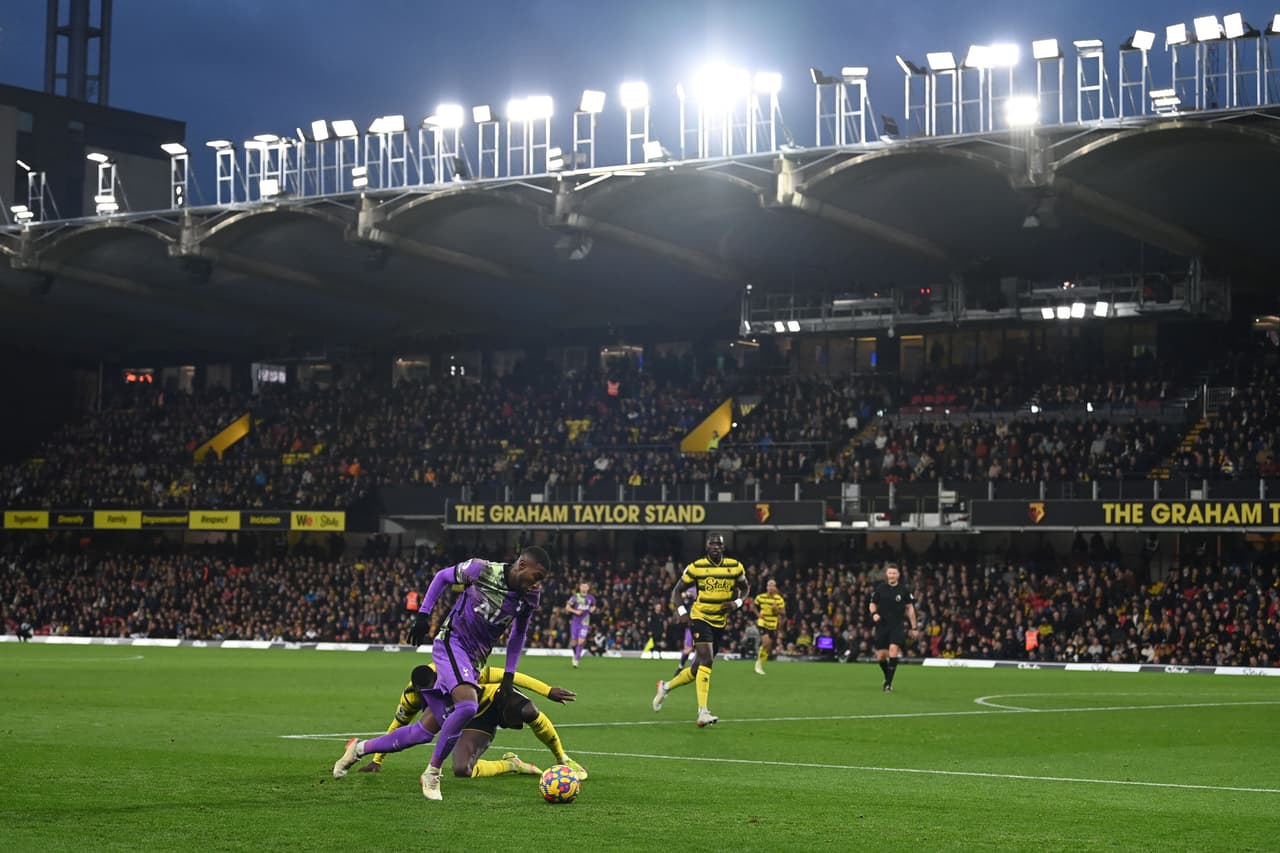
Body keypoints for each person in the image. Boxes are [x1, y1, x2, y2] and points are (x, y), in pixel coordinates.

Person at [380, 546, 549, 801]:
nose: (537, 584)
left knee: (423, 732)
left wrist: (509, 676)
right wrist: (423, 615)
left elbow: (518, 635)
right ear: (522, 565)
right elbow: (442, 577)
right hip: (452, 641)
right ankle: (432, 772)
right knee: (468, 705)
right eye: (537, 576)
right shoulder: (482, 570)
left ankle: (359, 749)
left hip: (474, 660)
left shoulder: (529, 598)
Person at [333, 663, 587, 782]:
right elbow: (399, 725)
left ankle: (563, 759)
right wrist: (377, 761)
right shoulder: (411, 696)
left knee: (530, 711)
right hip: (474, 719)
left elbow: (508, 674)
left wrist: (547, 690)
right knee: (462, 770)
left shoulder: (456, 670)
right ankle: (512, 765)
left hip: (494, 699)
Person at [652, 532, 748, 727]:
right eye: (712, 544)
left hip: (720, 621)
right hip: (700, 617)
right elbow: (677, 590)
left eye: (718, 544)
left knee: (697, 669)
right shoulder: (696, 567)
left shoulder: (735, 566)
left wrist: (737, 602)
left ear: (723, 547)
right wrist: (681, 610)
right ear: (707, 546)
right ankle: (702, 712)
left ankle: (666, 687)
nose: (715, 547)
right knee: (707, 660)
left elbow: (745, 587)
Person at [868, 563, 917, 692]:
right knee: (881, 656)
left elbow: (910, 609)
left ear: (898, 575)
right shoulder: (880, 588)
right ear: (887, 574)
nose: (892, 575)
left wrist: (914, 627)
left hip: (897, 625)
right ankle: (887, 676)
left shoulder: (903, 590)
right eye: (890, 573)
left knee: (893, 650)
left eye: (894, 573)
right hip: (882, 625)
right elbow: (872, 604)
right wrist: (874, 614)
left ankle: (888, 684)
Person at [752, 579, 786, 675]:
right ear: (766, 587)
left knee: (768, 647)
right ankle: (758, 665)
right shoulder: (761, 597)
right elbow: (753, 606)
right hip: (763, 623)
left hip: (773, 624)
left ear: (775, 587)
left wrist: (777, 610)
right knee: (766, 642)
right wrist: (758, 614)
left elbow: (784, 613)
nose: (770, 588)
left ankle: (759, 665)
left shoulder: (779, 599)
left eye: (772, 586)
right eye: (769, 585)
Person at [564, 581, 596, 669]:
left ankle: (577, 660)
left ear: (588, 588)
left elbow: (593, 606)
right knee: (574, 642)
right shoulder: (575, 597)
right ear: (580, 587)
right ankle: (575, 654)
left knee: (581, 641)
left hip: (585, 622)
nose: (584, 588)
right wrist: (575, 611)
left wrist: (592, 610)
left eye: (586, 586)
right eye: (582, 586)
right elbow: (567, 607)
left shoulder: (591, 598)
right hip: (575, 622)